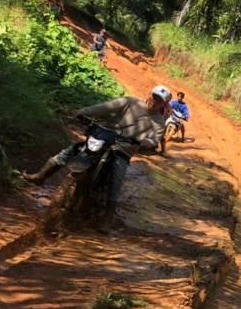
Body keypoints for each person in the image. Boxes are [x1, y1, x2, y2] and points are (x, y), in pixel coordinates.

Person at [21, 86, 172, 229]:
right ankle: (40, 176)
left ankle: (107, 218)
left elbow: (155, 139)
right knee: (72, 149)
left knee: (116, 176)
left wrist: (145, 142)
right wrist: (83, 112)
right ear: (149, 95)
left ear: (164, 104)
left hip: (123, 149)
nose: (155, 101)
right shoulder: (130, 102)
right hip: (103, 137)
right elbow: (105, 107)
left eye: (159, 100)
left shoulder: (159, 122)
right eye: (154, 97)